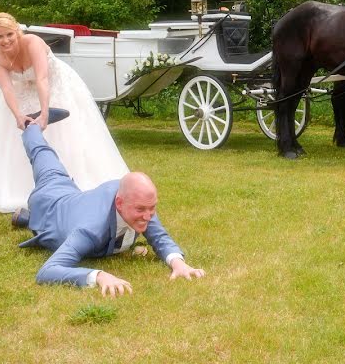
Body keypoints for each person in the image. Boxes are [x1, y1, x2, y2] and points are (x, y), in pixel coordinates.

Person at [0, 12, 129, 212]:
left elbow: (42, 79)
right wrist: (18, 115)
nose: (5, 41)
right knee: (15, 137)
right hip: (24, 93)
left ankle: (71, 184)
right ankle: (24, 187)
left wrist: (45, 113)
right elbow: (7, 89)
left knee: (66, 135)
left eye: (9, 34)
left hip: (55, 86)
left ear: (17, 32)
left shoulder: (33, 43)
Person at [16, 121, 206, 296]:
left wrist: (178, 263)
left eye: (152, 208)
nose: (148, 216)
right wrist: (98, 276)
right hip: (51, 198)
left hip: (78, 204)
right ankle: (31, 125)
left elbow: (159, 237)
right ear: (120, 203)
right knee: (43, 155)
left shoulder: (140, 202)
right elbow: (47, 271)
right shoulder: (89, 230)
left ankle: (24, 218)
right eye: (141, 210)